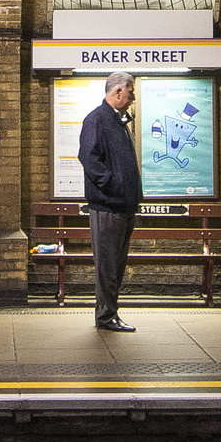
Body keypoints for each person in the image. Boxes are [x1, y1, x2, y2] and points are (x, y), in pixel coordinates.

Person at [78, 71, 143, 332]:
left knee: (116, 264)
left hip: (123, 206)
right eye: (130, 92)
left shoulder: (117, 121)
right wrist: (114, 187)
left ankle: (110, 314)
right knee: (108, 266)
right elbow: (90, 160)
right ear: (117, 92)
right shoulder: (96, 120)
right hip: (108, 206)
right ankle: (105, 317)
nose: (132, 98)